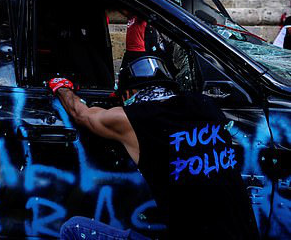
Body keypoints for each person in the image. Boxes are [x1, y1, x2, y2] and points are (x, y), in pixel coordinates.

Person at [51, 56, 258, 240]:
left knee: (73, 229)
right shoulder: (207, 106)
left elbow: (81, 114)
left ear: (130, 94)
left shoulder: (135, 119)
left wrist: (60, 85)